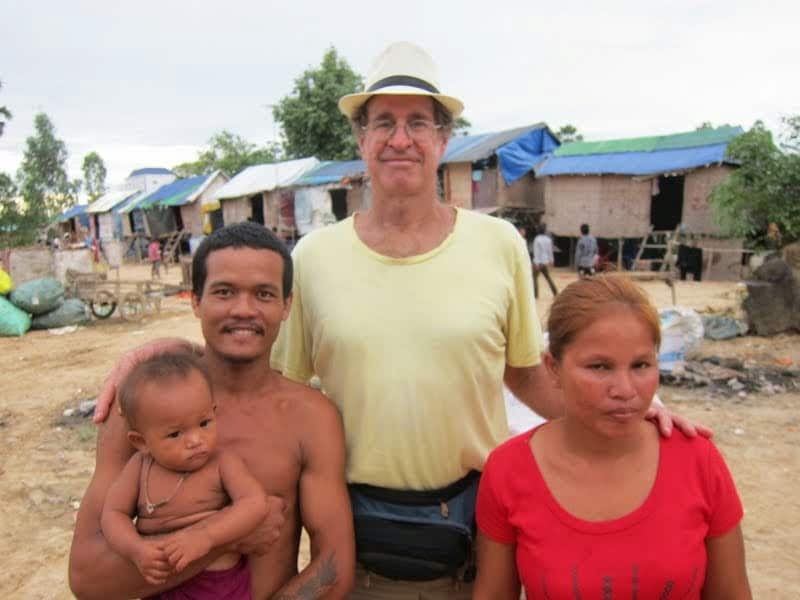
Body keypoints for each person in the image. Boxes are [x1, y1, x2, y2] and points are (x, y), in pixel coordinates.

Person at [90, 42, 705, 599]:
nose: (400, 138)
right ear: (361, 140)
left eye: (418, 123)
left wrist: (621, 406)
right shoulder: (315, 258)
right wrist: (166, 353)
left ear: (444, 138)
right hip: (357, 531)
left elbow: (525, 374)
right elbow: (262, 372)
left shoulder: (499, 245)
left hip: (479, 524)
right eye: (383, 122)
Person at [69, 221, 355, 599]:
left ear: (286, 306)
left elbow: (333, 567)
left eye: (264, 294)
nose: (243, 309)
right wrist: (222, 539)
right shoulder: (143, 410)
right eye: (224, 292)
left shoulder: (310, 418)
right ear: (195, 300)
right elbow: (87, 579)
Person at [474, 275, 751, 599]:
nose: (625, 390)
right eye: (600, 367)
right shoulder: (510, 470)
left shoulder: (697, 460)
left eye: (641, 365)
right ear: (552, 368)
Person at [102, 350, 268, 598]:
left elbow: (255, 503)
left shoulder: (222, 462)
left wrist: (206, 536)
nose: (195, 440)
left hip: (219, 586)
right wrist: (136, 549)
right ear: (141, 442)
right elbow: (113, 515)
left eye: (204, 424)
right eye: (175, 434)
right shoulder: (139, 467)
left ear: (214, 412)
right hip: (161, 586)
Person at [531, 223, 558, 298]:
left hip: (538, 262)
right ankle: (555, 292)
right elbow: (550, 251)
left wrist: (536, 263)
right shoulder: (548, 240)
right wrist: (551, 260)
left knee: (534, 278)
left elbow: (536, 252)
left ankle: (535, 295)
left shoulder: (537, 239)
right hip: (545, 262)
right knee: (548, 277)